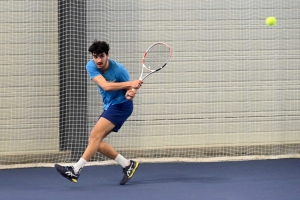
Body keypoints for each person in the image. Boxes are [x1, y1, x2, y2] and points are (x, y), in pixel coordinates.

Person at [55, 40, 143, 185]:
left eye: (101, 56)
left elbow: (129, 93)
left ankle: (75, 170)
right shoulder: (91, 65)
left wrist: (130, 93)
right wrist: (130, 84)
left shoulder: (119, 70)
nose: (98, 60)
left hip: (122, 106)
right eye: (95, 56)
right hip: (110, 106)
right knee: (96, 142)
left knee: (94, 136)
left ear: (107, 55)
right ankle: (127, 165)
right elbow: (106, 86)